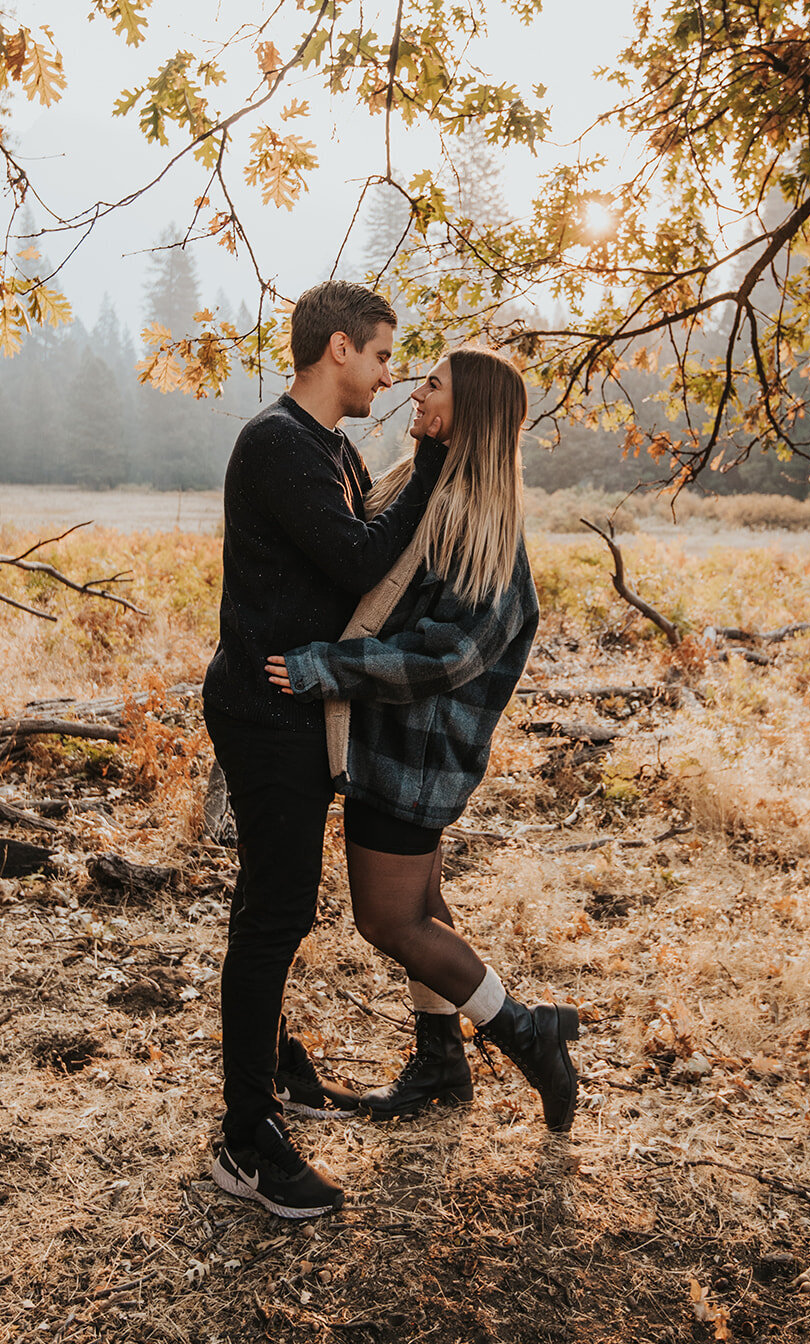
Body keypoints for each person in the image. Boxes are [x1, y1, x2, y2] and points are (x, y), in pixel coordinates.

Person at [266, 349, 580, 1137]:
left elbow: (450, 656)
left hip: (417, 758)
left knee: (389, 921)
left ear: (466, 411)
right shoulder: (421, 485)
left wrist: (323, 669)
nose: (414, 390)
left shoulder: (482, 526)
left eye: (433, 384)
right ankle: (440, 1060)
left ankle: (524, 1031)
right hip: (389, 744)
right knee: (425, 907)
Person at [203, 281, 448, 1221]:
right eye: (383, 356)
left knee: (277, 905)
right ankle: (244, 1136)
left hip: (299, 711)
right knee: (275, 914)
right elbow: (359, 560)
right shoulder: (277, 443)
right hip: (265, 714)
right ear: (338, 348)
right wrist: (428, 459)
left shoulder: (331, 450)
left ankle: (272, 1065)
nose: (390, 376)